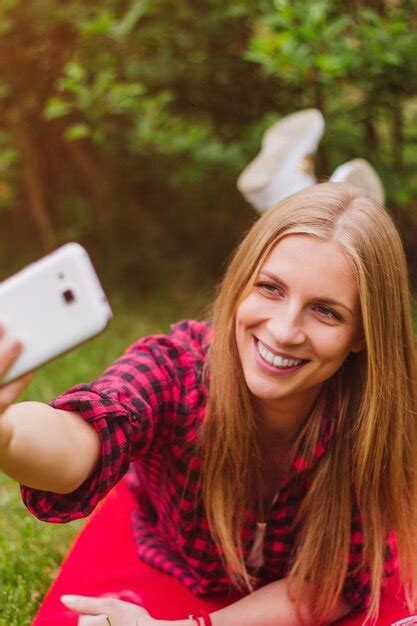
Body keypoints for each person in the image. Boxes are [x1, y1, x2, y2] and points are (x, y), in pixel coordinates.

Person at [0, 182, 416, 626]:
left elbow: (331, 584)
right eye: (271, 288)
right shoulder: (175, 368)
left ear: (361, 336)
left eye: (326, 311)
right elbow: (84, 436)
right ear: (240, 285)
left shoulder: (371, 418)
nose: (284, 330)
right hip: (170, 562)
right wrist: (5, 432)